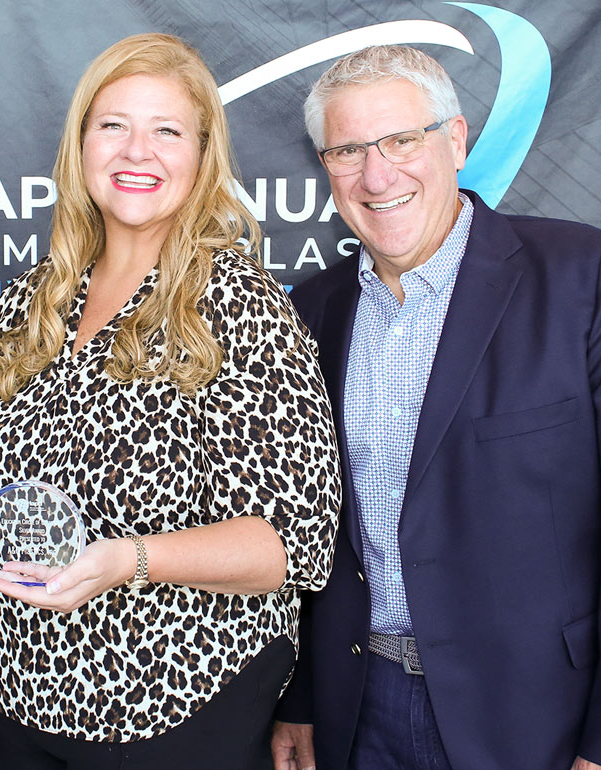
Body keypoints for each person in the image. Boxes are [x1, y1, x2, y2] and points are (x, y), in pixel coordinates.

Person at [0, 33, 341, 770]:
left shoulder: (237, 303)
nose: (138, 152)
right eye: (114, 125)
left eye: (166, 131)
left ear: (201, 158)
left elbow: (293, 542)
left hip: (163, 711)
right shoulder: (35, 299)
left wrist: (126, 560)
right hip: (3, 700)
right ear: (81, 145)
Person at [271, 44, 601, 770]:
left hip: (535, 714)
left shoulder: (580, 278)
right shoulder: (312, 310)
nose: (377, 173)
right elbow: (308, 530)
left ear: (454, 141)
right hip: (359, 709)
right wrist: (299, 701)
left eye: (399, 139)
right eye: (348, 149)